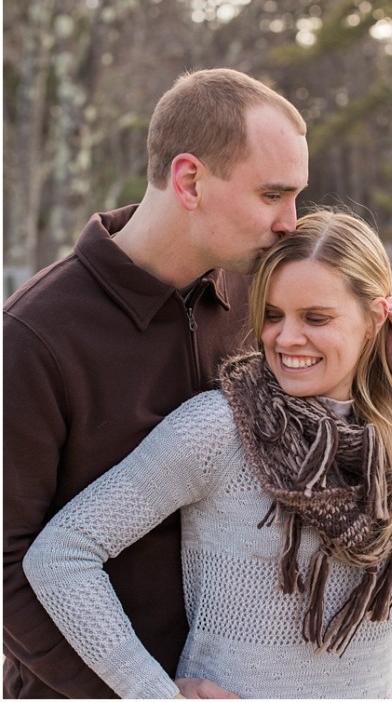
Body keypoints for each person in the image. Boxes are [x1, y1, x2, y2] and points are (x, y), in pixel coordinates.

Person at [23, 210, 392, 698]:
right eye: (273, 315)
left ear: (375, 319)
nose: (286, 338)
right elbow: (61, 555)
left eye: (315, 317)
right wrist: (155, 693)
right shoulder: (220, 428)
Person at [4, 68, 308, 698]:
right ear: (190, 179)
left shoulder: (270, 305)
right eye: (273, 194)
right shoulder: (34, 336)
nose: (291, 222)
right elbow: (7, 567)